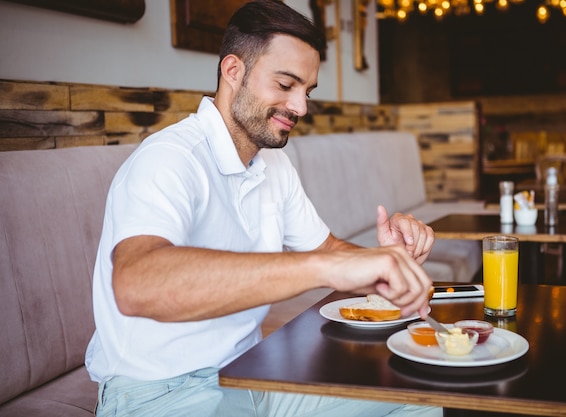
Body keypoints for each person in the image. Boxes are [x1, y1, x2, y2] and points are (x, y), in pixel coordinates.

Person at [85, 1, 440, 416]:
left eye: (307, 91)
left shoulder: (272, 162)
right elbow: (135, 285)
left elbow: (326, 251)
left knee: (417, 400)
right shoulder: (168, 158)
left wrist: (383, 260)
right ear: (233, 71)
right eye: (286, 84)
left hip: (252, 376)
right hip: (161, 393)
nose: (300, 107)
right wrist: (323, 269)